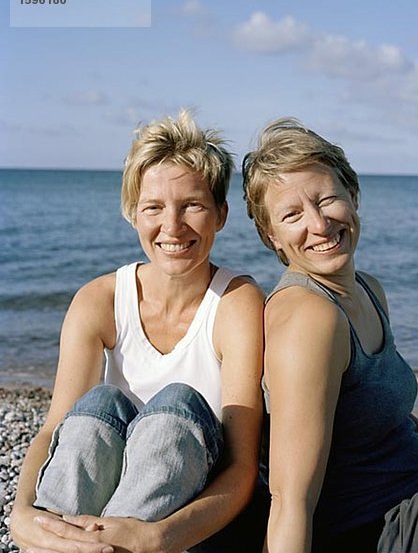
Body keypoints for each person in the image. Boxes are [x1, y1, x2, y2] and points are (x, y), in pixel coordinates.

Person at [11, 110, 266, 553]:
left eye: (192, 205)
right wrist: (22, 514)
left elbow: (242, 468)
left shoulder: (236, 302)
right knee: (101, 406)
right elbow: (56, 428)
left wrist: (157, 537)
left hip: (198, 525)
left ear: (221, 214)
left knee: (175, 407)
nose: (172, 226)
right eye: (154, 207)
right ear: (132, 214)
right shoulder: (99, 301)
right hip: (106, 514)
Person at [242, 118, 418, 553]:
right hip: (375, 532)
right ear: (271, 236)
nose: (318, 224)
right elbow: (290, 499)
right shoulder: (309, 318)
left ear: (352, 195)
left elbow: (387, 418)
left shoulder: (369, 288)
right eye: (292, 215)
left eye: (326, 199)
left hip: (417, 499)